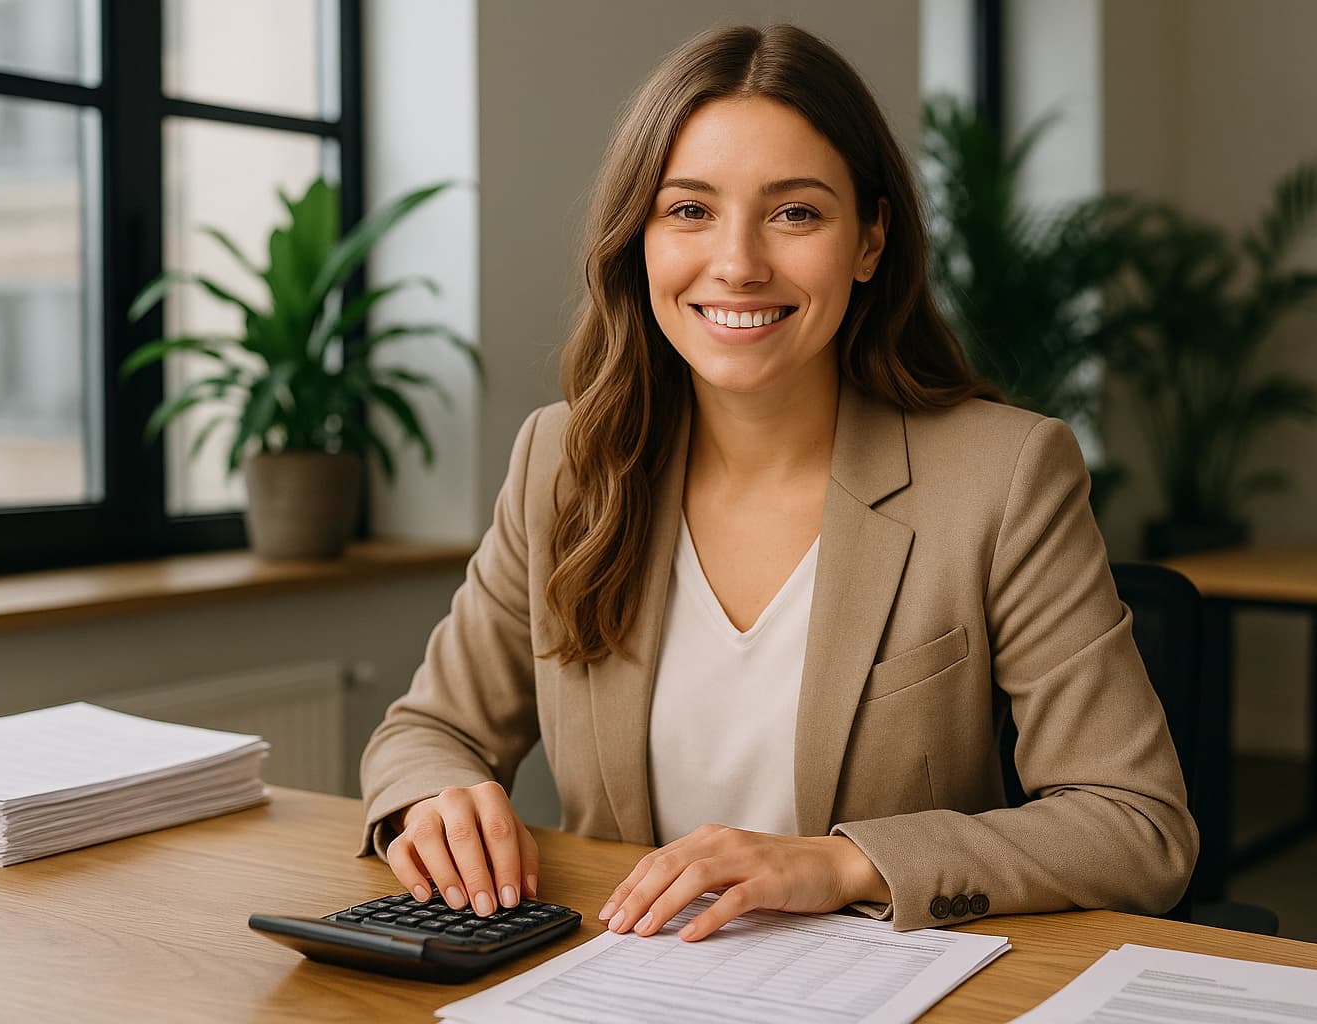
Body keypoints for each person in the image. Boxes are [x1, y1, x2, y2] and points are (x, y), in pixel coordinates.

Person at [359, 23, 1197, 941]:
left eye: (795, 213)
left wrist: (839, 862)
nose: (739, 263)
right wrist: (434, 798)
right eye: (689, 210)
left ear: (870, 241)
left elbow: (1135, 825)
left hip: (878, 987)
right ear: (639, 238)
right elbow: (426, 731)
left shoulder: (1003, 475)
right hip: (617, 983)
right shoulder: (562, 463)